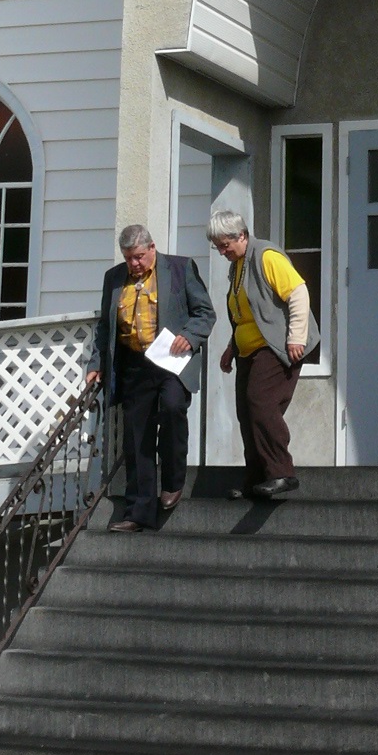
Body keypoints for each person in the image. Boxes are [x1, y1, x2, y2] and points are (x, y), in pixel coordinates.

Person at [86, 223, 215, 531]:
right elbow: (105, 326)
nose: (134, 264)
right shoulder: (114, 278)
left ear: (152, 248)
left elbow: (204, 313)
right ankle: (138, 511)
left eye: (140, 257)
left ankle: (172, 482)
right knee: (136, 437)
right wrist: (97, 362)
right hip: (134, 364)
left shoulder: (181, 268)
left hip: (170, 362)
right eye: (129, 257)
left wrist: (190, 336)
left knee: (172, 409)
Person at [208, 207, 318, 499]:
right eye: (217, 246)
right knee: (246, 412)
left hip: (277, 347)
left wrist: (296, 338)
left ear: (241, 235)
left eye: (225, 245)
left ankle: (281, 472)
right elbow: (246, 313)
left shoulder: (266, 256)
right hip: (250, 351)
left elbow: (298, 293)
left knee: (261, 403)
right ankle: (257, 480)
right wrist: (232, 348)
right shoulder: (238, 266)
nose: (222, 252)